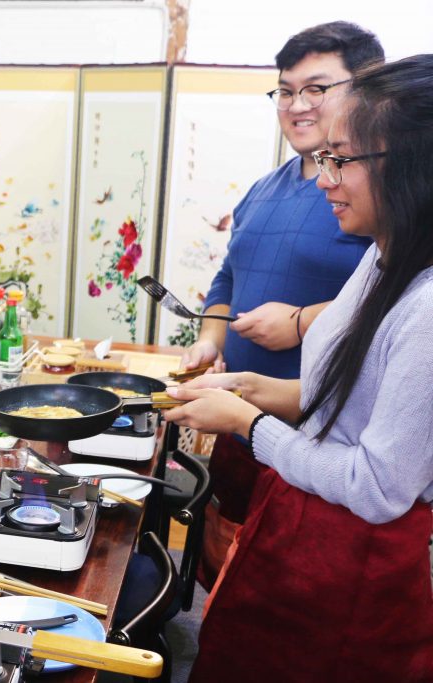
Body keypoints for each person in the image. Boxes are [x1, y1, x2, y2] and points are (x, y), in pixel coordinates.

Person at [165, 54, 433, 682]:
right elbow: (340, 397)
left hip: (354, 558)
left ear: (413, 167)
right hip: (298, 514)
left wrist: (250, 423)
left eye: (342, 160)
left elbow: (377, 486)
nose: (324, 179)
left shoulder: (425, 304)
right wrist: (250, 388)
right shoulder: (381, 256)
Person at [177, 22, 384, 585]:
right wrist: (210, 341)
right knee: (224, 569)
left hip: (325, 437)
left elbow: (395, 297)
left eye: (317, 88)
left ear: (370, 90)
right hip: (240, 418)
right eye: (286, 91)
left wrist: (299, 322)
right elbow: (227, 277)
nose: (296, 105)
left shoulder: (379, 193)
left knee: (293, 591)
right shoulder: (263, 188)